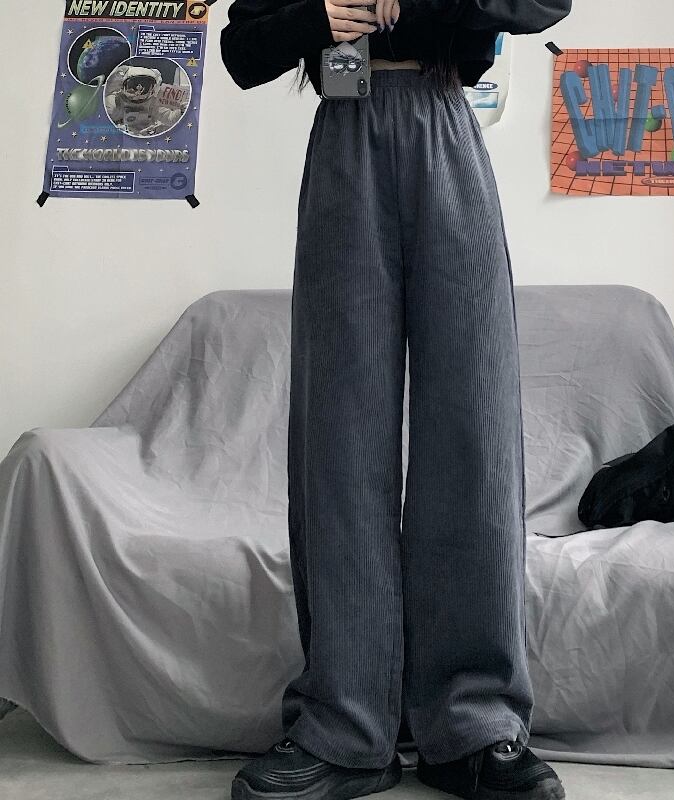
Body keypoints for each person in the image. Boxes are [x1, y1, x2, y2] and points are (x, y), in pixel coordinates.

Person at [219, 1, 572, 798]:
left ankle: (473, 726)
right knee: (340, 432)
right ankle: (346, 729)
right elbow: (242, 49)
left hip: (447, 129)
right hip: (345, 135)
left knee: (473, 426)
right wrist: (319, 15)